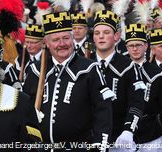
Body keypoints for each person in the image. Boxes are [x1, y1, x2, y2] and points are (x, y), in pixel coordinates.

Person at [23, 9, 112, 151]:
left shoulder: (89, 69)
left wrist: (100, 146)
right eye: (56, 40)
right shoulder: (35, 70)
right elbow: (25, 109)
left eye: (65, 38)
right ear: (46, 42)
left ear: (72, 38)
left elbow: (103, 111)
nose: (62, 44)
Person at [92, 10, 146, 150]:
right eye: (97, 33)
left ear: (116, 36)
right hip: (90, 138)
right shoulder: (85, 64)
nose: (101, 37)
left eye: (106, 32)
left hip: (119, 137)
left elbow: (137, 102)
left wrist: (128, 130)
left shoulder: (128, 66)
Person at [125, 23, 162, 152]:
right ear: (126, 47)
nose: (135, 49)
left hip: (151, 133)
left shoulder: (158, 73)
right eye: (131, 45)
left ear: (146, 46)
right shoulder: (120, 70)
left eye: (139, 45)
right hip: (124, 133)